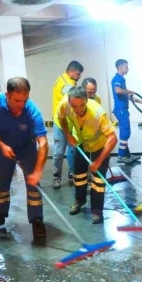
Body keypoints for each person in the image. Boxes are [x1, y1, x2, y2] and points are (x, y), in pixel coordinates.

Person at [0, 77, 49, 238]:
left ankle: (37, 220)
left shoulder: (32, 110)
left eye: (25, 100)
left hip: (26, 147)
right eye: (17, 100)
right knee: (1, 180)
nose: (21, 105)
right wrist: (1, 145)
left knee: (34, 186)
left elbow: (43, 143)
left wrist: (37, 171)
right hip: (2, 146)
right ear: (7, 95)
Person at [56, 86, 118, 224]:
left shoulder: (97, 113)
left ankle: (97, 210)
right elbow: (62, 119)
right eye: (74, 107)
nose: (78, 110)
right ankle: (79, 200)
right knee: (79, 175)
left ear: (87, 100)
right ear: (69, 102)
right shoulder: (64, 105)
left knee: (98, 181)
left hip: (99, 144)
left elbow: (113, 138)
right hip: (80, 141)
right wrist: (68, 135)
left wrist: (99, 161)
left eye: (82, 105)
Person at [51, 61, 83, 189]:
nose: (79, 76)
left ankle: (71, 174)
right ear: (70, 72)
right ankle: (56, 175)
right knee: (59, 151)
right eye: (78, 74)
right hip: (60, 121)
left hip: (71, 122)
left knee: (72, 149)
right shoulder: (67, 85)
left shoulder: (62, 78)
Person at [66, 77, 101, 178]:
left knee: (92, 153)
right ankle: (73, 172)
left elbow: (97, 116)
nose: (92, 95)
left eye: (94, 92)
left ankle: (90, 176)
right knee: (76, 153)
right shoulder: (73, 101)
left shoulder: (97, 99)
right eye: (89, 92)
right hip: (77, 130)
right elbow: (69, 120)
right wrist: (69, 134)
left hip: (90, 130)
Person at [111, 59, 142, 164]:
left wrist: (141, 101)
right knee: (125, 132)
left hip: (123, 109)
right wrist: (130, 91)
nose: (128, 69)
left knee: (125, 132)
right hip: (120, 109)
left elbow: (126, 96)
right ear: (120, 68)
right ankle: (121, 156)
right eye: (126, 67)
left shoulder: (122, 79)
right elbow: (118, 90)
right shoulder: (117, 78)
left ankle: (127, 154)